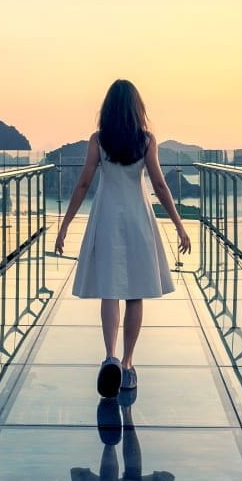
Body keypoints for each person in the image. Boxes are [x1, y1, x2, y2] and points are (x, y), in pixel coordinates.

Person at [55, 79, 191, 398]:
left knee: (109, 292)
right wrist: (179, 225)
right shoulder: (145, 141)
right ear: (136, 108)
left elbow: (83, 184)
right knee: (135, 294)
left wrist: (64, 226)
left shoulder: (98, 140)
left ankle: (110, 356)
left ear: (107, 108)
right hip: (138, 219)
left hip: (106, 218)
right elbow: (159, 186)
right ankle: (128, 365)